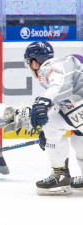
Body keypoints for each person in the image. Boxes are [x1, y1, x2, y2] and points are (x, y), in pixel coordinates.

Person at [24, 40, 83, 195]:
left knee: (50, 123)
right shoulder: (65, 64)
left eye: (29, 63)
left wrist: (44, 101)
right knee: (79, 136)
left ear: (34, 63)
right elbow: (66, 97)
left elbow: (57, 85)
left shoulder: (50, 67)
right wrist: (48, 134)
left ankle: (60, 175)